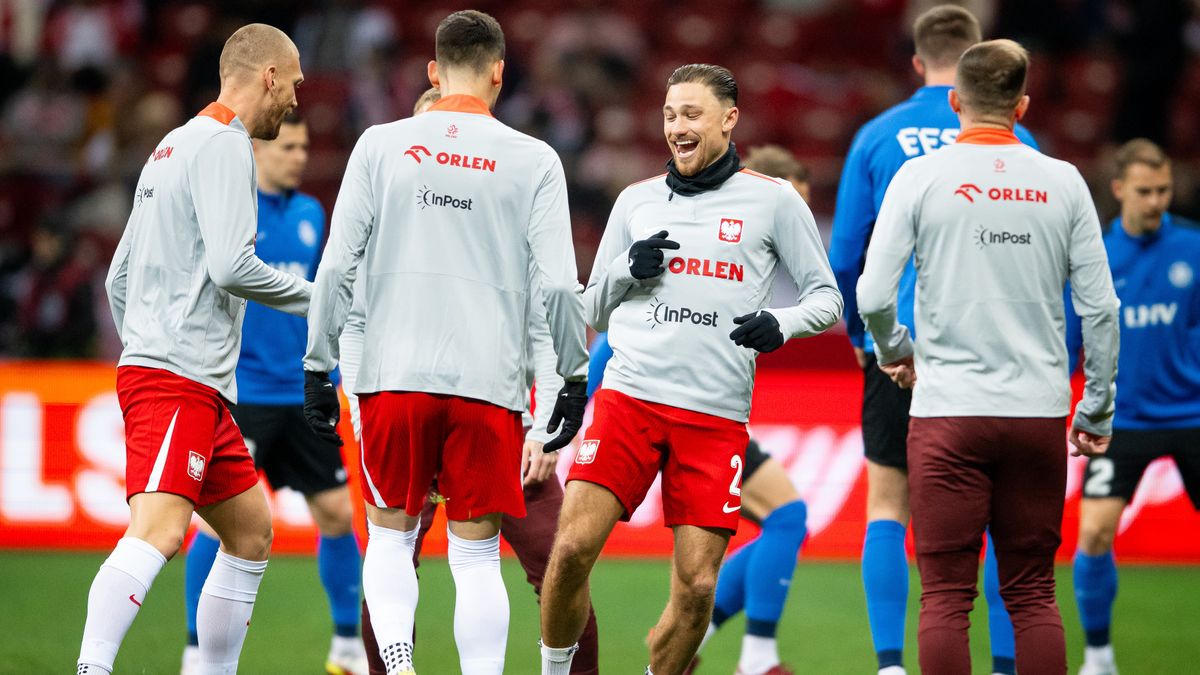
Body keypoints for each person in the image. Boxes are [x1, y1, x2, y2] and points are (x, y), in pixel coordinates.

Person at [302, 11, 590, 675]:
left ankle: (398, 668)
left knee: (390, 535)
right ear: (498, 72)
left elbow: (338, 268)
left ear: (432, 71)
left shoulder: (380, 144)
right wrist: (568, 381)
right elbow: (556, 287)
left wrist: (318, 366)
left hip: (393, 378)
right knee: (476, 556)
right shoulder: (533, 159)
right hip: (487, 385)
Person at [539, 63, 842, 675]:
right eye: (671, 114)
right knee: (571, 548)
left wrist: (781, 323)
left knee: (699, 586)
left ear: (729, 120)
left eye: (692, 114)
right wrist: (627, 267)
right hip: (630, 399)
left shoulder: (775, 201)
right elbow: (590, 305)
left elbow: (827, 298)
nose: (677, 126)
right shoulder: (636, 201)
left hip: (714, 416)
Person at [857, 39, 1120, 674]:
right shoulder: (1063, 181)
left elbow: (870, 292)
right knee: (1032, 594)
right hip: (1035, 413)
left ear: (954, 102)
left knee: (946, 596)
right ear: (1022, 106)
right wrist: (1098, 408)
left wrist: (897, 352)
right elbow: (1103, 307)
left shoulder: (919, 176)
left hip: (947, 411)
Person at [78, 23, 310, 675]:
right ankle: (91, 667)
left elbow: (116, 276)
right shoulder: (226, 148)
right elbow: (235, 267)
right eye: (293, 82)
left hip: (188, 379)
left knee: (249, 530)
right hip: (177, 376)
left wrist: (147, 340)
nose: (295, 97)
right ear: (267, 75)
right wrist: (321, 299)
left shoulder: (173, 145)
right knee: (159, 531)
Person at [827, 6, 1036, 673]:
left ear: (919, 63)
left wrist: (867, 337)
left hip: (906, 349)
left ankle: (890, 664)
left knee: (889, 498)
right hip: (1002, 354)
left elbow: (844, 255)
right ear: (980, 62)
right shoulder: (1021, 143)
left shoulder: (878, 136)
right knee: (1006, 513)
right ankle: (1004, 663)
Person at [586, 143, 815, 675]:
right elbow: (612, 338)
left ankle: (699, 635)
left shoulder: (757, 226)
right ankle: (755, 656)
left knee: (780, 523)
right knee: (787, 517)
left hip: (710, 411)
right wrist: (586, 402)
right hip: (660, 408)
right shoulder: (715, 218)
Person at [179, 112, 369, 675]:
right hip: (245, 394)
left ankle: (346, 645)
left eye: (305, 145)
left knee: (337, 514)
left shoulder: (312, 214)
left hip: (304, 390)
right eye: (288, 146)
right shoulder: (235, 212)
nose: (300, 156)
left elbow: (327, 301)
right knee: (217, 524)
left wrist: (332, 374)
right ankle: (196, 648)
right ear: (259, 152)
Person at [1067, 139, 1200, 675]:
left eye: (1164, 190)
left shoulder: (1193, 247)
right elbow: (1068, 341)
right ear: (1119, 189)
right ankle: (1099, 658)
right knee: (1095, 532)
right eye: (1145, 191)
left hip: (1194, 415)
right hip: (1123, 419)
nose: (1156, 201)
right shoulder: (1093, 255)